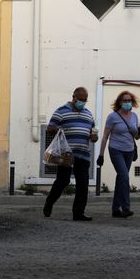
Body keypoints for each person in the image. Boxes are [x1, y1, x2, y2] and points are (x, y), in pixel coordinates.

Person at [43, 87, 99, 221]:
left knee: (83, 183)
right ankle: (49, 202)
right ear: (73, 98)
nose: (83, 102)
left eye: (85, 100)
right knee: (63, 180)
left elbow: (92, 133)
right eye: (80, 100)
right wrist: (58, 130)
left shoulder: (88, 114)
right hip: (66, 155)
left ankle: (78, 213)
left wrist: (94, 138)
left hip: (83, 154)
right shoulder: (61, 111)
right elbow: (50, 128)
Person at [96, 91, 140, 218]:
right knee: (124, 176)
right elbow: (105, 137)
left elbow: (136, 137)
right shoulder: (113, 117)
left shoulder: (134, 116)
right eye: (125, 100)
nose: (127, 103)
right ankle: (126, 207)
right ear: (120, 102)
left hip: (129, 151)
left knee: (121, 178)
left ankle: (115, 209)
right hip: (116, 150)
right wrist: (101, 155)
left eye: (129, 100)